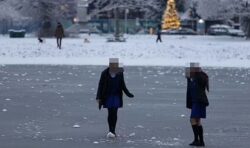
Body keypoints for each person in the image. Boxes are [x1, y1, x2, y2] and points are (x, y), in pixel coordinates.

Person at [96, 58, 134, 138]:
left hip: (116, 96)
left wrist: (128, 93)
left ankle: (113, 130)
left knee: (115, 113)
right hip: (108, 96)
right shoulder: (104, 73)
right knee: (110, 113)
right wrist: (98, 97)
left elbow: (122, 85)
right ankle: (111, 130)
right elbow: (100, 85)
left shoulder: (120, 73)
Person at [186, 63, 209, 147]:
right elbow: (190, 90)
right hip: (195, 101)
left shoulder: (200, 77)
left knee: (193, 119)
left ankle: (198, 140)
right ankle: (200, 141)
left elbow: (202, 81)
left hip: (199, 101)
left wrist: (198, 71)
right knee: (197, 121)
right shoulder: (192, 78)